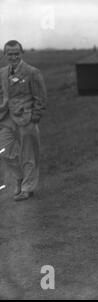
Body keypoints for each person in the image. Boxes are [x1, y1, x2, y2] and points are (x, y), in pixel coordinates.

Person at [0, 40, 47, 201]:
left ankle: (27, 188)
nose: (13, 57)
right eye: (9, 54)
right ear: (5, 55)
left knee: (29, 155)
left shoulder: (32, 72)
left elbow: (40, 98)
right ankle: (19, 178)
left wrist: (34, 119)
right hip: (6, 119)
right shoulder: (2, 72)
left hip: (26, 119)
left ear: (22, 53)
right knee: (5, 152)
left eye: (16, 53)